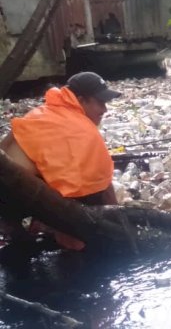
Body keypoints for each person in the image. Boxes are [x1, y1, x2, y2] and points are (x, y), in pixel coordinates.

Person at [0, 72, 121, 250]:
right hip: (14, 190)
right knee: (78, 241)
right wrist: (119, 220)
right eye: (100, 102)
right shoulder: (78, 129)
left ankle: (19, 234)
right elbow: (75, 192)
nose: (105, 109)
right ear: (81, 100)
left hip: (9, 197)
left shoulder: (46, 113)